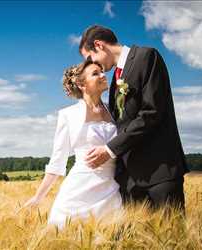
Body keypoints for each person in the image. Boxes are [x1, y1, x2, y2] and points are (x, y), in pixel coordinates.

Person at [78, 25, 190, 211]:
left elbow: (151, 112)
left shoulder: (146, 57)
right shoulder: (115, 80)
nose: (93, 63)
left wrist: (109, 149)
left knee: (174, 236)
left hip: (160, 172)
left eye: (90, 57)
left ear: (99, 45)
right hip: (130, 180)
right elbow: (121, 123)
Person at [20, 60, 122, 230]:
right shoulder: (68, 115)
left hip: (111, 190)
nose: (104, 75)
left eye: (102, 71)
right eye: (96, 73)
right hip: (78, 191)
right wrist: (38, 197)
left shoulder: (115, 110)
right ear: (82, 84)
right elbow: (58, 161)